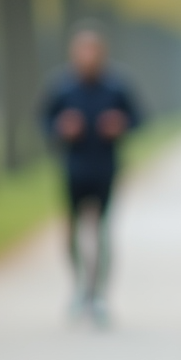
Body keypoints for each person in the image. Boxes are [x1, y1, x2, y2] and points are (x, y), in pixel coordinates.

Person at [40, 29, 141, 326]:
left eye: (93, 51)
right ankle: (79, 286)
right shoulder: (62, 88)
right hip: (73, 168)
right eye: (83, 51)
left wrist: (121, 125)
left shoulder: (117, 87)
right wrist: (61, 128)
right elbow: (44, 121)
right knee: (71, 232)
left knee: (102, 232)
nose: (88, 57)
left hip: (106, 168)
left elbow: (138, 118)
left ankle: (98, 295)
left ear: (102, 53)